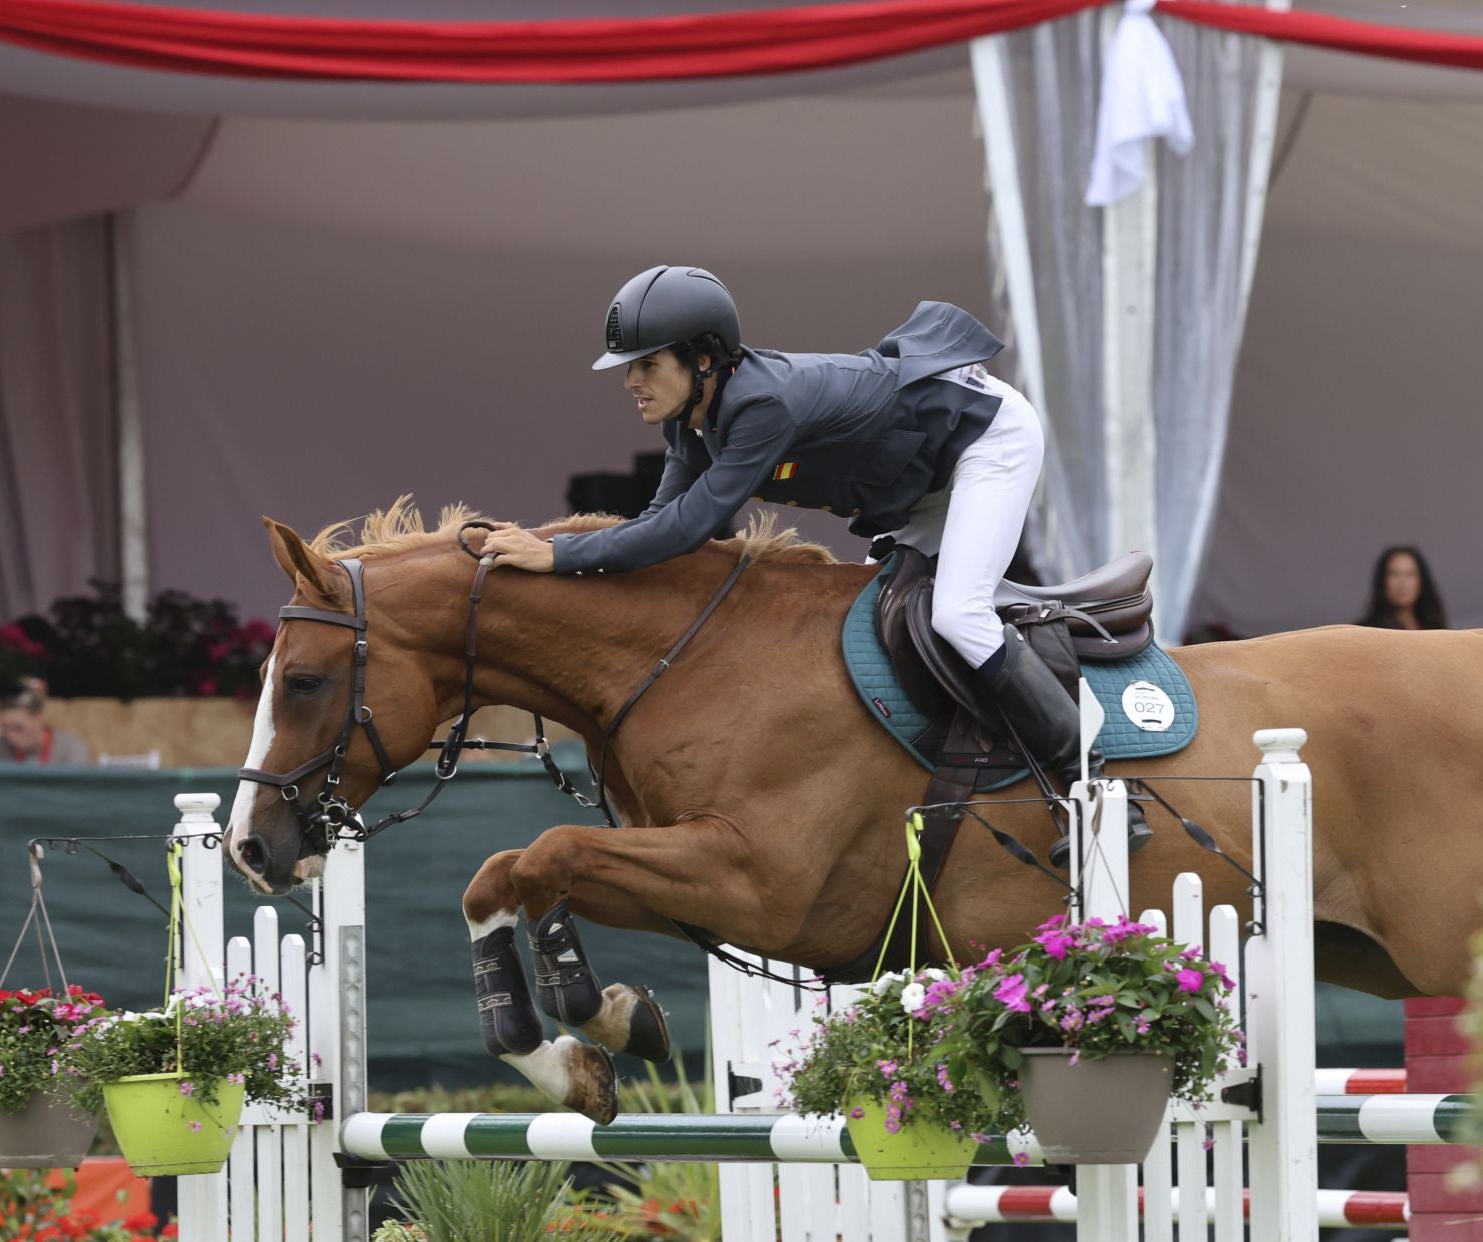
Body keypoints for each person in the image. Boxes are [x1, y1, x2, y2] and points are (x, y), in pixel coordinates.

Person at [485, 266, 1137, 835]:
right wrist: (561, 560)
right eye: (629, 367)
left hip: (986, 439)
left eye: (647, 364)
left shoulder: (761, 403)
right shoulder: (691, 425)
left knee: (958, 613)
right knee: (879, 619)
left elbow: (688, 528)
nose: (631, 380)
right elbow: (661, 522)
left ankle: (1097, 783)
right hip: (928, 480)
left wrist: (557, 556)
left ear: (703, 360)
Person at [0, 681, 91, 764]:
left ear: (39, 718)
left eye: (18, 728)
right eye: (5, 729)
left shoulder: (71, 749)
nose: (10, 736)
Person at [1355, 545, 1448, 631]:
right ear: (1382, 581)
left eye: (1410, 574)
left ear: (1422, 581)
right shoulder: (1365, 631)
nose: (1402, 582)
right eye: (1394, 574)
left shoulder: (1436, 629)